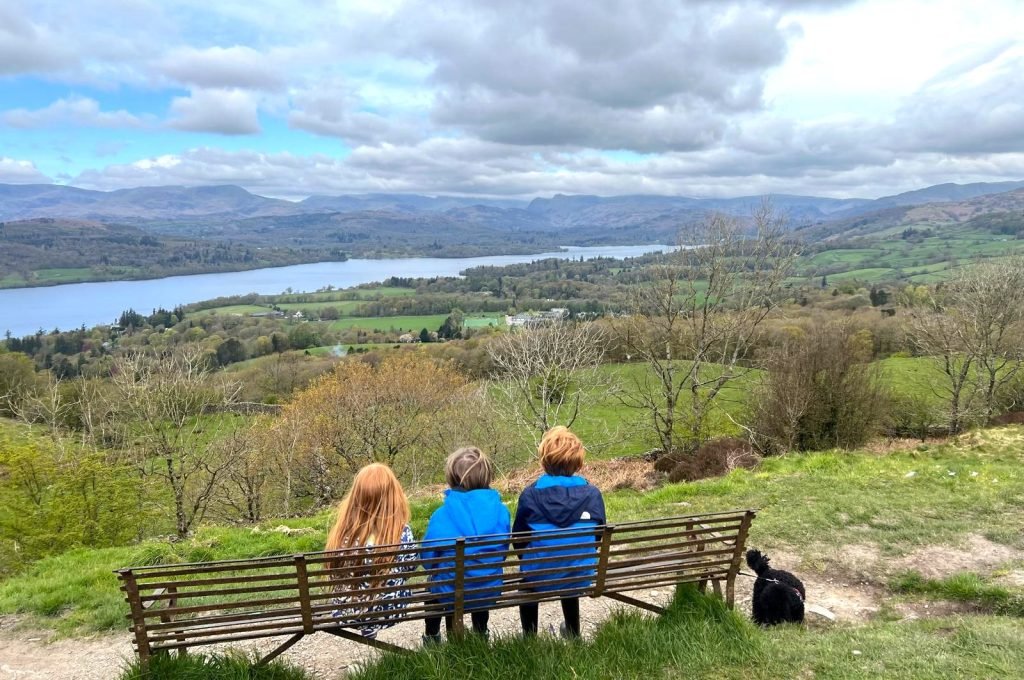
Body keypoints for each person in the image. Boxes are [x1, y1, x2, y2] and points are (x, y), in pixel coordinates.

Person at [513, 426, 606, 638]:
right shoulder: (592, 493)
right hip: (579, 574)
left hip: (538, 575)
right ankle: (573, 633)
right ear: (578, 461)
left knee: (528, 581)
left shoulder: (530, 495)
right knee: (569, 563)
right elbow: (597, 535)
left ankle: (529, 636)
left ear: (544, 459)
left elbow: (519, 539)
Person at [421, 447, 510, 643]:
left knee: (439, 581)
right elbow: (502, 553)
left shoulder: (441, 515)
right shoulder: (501, 512)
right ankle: (481, 634)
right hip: (488, 590)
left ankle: (432, 638)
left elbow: (428, 558)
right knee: (479, 573)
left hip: (449, 593)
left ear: (452, 477)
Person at [327, 463, 416, 639]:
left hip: (347, 613)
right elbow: (410, 569)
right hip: (392, 611)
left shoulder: (342, 534)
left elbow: (335, 574)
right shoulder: (402, 532)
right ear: (393, 496)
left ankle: (367, 627)